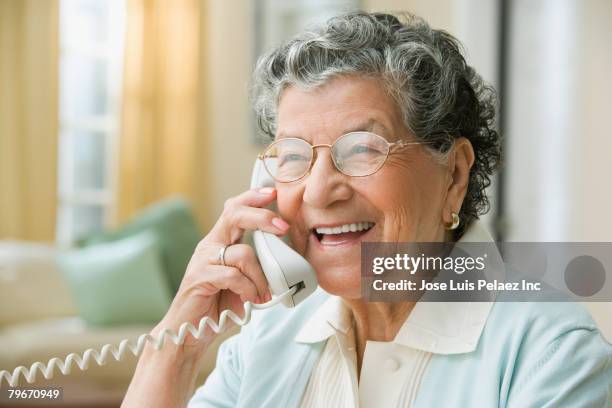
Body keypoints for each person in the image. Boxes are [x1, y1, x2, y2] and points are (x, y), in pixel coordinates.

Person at [123, 12, 611, 407]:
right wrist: (173, 352)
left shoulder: (550, 352)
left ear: (455, 175)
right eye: (293, 156)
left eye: (362, 149)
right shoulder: (269, 336)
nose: (318, 191)